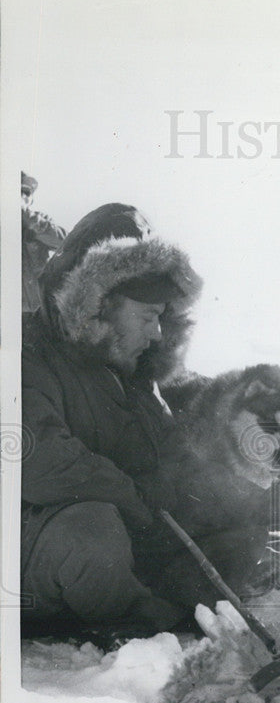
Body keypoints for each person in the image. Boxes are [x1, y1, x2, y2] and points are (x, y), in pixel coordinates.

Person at [20, 202, 210, 642]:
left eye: (162, 318)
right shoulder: (25, 353)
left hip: (112, 556)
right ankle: (143, 624)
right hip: (31, 561)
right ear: (99, 305)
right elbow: (37, 460)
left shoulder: (134, 376)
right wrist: (133, 495)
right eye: (148, 316)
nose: (158, 333)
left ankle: (155, 607)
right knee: (93, 530)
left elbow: (174, 461)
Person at [21, 172, 66, 313]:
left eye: (26, 192)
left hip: (43, 312)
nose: (22, 195)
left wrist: (29, 220)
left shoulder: (40, 220)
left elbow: (64, 242)